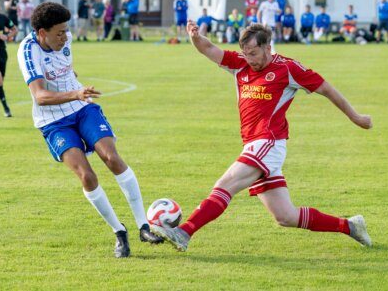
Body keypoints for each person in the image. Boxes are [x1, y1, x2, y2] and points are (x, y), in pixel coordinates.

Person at [151, 21, 373, 252]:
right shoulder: (239, 64)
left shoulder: (287, 68)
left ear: (268, 47)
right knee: (285, 216)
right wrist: (195, 37)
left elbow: (326, 88)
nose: (250, 59)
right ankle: (350, 226)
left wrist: (355, 116)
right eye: (246, 53)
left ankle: (184, 232)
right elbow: (209, 49)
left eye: (254, 53)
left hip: (268, 142)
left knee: (225, 185)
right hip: (253, 145)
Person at [16, 2, 163, 258]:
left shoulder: (66, 39)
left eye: (66, 30)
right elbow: (39, 95)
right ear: (42, 33)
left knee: (111, 157)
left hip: (82, 108)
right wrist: (75, 92)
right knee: (87, 176)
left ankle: (143, 226)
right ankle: (119, 232)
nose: (65, 36)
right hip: (53, 121)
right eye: (59, 33)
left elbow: (66, 68)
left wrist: (76, 88)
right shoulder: (28, 51)